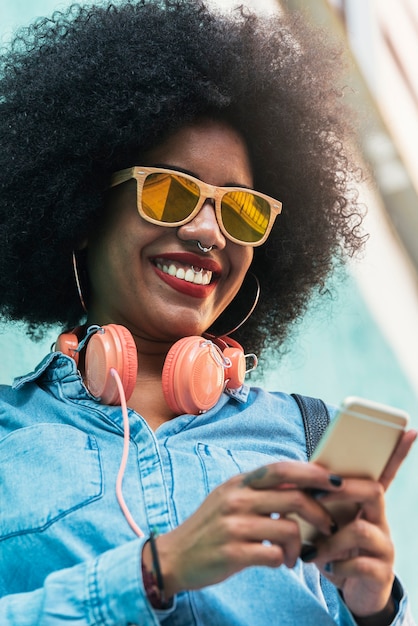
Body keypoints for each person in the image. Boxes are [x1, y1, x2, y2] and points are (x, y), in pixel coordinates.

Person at [0, 0, 416, 624]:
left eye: (240, 211)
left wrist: (373, 608)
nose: (207, 232)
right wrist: (153, 571)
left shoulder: (307, 440)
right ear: (86, 212)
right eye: (169, 191)